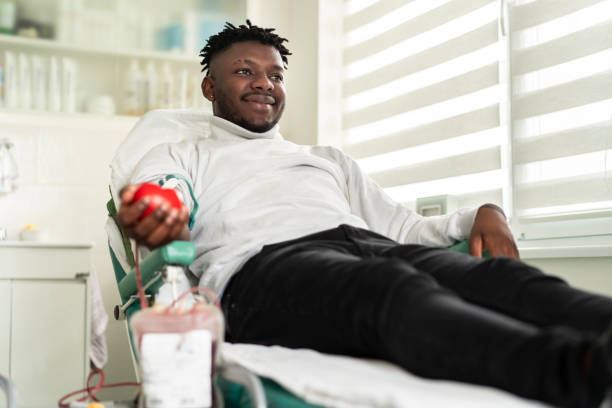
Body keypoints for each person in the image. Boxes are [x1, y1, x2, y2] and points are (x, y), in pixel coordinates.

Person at [117, 21, 612, 408]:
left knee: (500, 279)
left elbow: (406, 229)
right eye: (245, 71)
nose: (264, 83)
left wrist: (484, 212)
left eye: (275, 74)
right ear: (209, 88)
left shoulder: (326, 159)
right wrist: (161, 215)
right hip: (262, 268)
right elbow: (162, 196)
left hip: (364, 246)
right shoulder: (183, 151)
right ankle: (582, 371)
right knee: (389, 292)